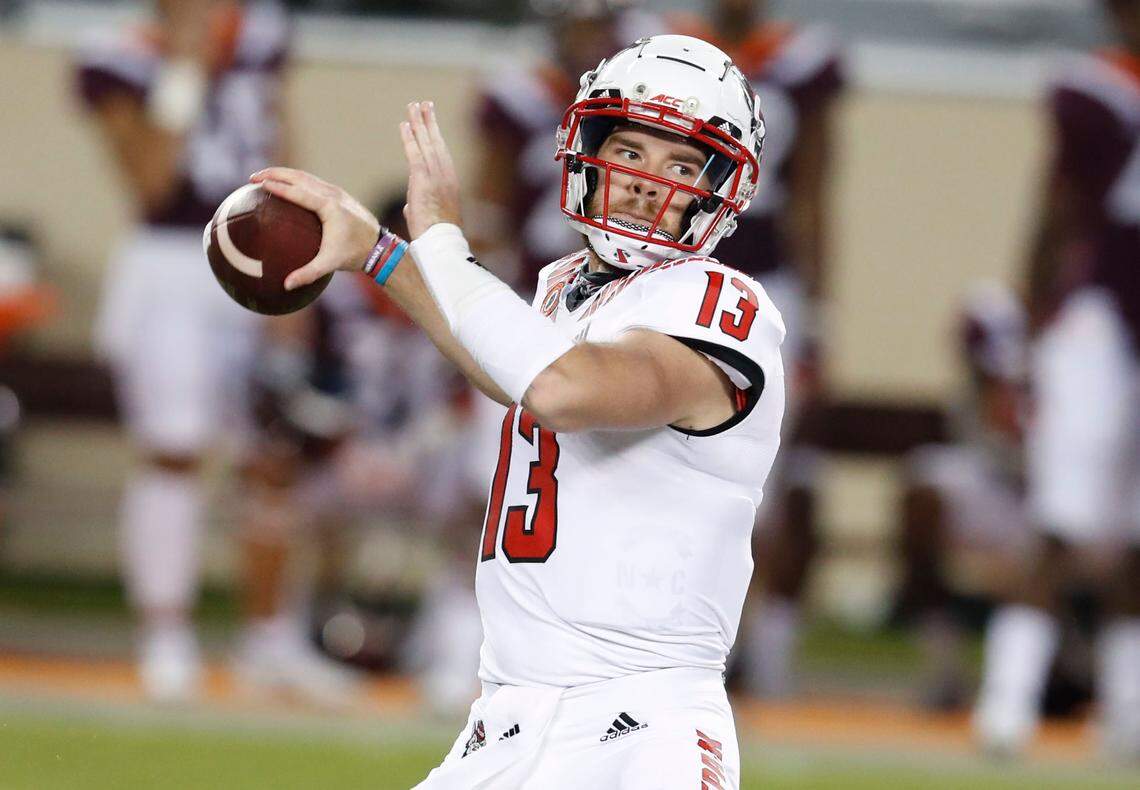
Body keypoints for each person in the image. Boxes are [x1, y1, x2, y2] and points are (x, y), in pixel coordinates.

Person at [252, 34, 782, 787]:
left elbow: (562, 389)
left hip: (641, 729)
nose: (645, 183)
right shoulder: (564, 286)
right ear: (584, 150)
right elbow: (509, 372)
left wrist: (441, 240)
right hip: (506, 719)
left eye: (681, 164)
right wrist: (377, 251)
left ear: (718, 190)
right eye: (629, 152)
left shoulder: (722, 303)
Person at [76, 0, 341, 703]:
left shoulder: (261, 34)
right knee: (176, 448)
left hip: (258, 251)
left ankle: (269, 639)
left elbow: (281, 140)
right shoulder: (118, 53)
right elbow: (154, 182)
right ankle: (166, 636)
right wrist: (186, 65)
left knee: (275, 450)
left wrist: (302, 252)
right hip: (167, 264)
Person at [973, 0, 1140, 759]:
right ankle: (1007, 707)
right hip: (1099, 321)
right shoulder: (1093, 86)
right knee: (1062, 517)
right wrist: (1030, 338)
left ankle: (1130, 714)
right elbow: (1057, 210)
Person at [670, 0, 844, 698]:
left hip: (766, 281)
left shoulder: (804, 60)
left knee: (764, 475)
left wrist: (820, 319)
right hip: (673, 269)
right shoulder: (661, 45)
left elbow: (813, 192)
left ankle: (765, 668)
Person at [896, 283, 1030, 710]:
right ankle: (944, 666)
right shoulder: (976, 382)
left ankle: (1020, 688)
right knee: (923, 483)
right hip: (1003, 498)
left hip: (1043, 505)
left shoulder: (1030, 370)